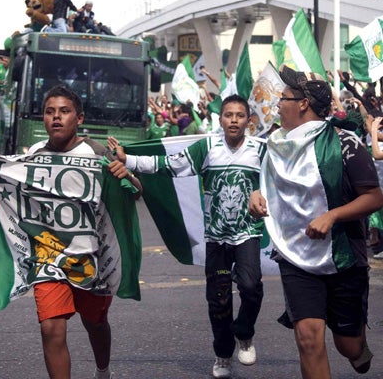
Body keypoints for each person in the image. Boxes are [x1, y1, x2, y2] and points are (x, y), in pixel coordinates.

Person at [108, 94, 266, 379]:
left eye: (240, 115)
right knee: (218, 300)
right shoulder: (207, 147)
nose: (234, 120)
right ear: (221, 120)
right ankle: (223, 354)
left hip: (247, 234)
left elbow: (278, 180)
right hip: (217, 237)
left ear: (248, 121)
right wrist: (128, 160)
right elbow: (170, 164)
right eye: (228, 115)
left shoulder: (260, 150)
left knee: (251, 286)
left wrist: (261, 193)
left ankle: (245, 333)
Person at [249, 65, 383, 378]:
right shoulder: (275, 144)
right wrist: (256, 195)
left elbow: (374, 197)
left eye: (283, 98)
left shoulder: (345, 143)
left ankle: (357, 345)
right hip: (295, 254)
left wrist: (332, 215)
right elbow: (265, 182)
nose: (277, 104)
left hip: (343, 256)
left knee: (348, 346)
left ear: (303, 104)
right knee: (308, 338)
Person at [26, 85, 141, 379]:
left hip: (93, 259)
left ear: (79, 118)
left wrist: (127, 175)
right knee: (51, 328)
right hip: (49, 257)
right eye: (50, 112)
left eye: (64, 112)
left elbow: (136, 191)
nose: (56, 117)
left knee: (95, 323)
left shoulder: (97, 152)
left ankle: (103, 370)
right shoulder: (34, 154)